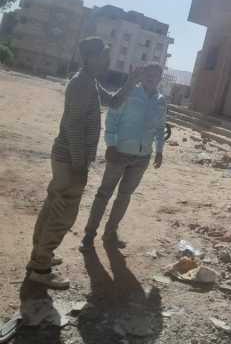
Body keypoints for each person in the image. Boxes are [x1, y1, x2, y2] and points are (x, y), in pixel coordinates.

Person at [27, 37, 139, 290]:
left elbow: (113, 102)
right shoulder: (81, 84)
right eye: (104, 55)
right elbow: (73, 126)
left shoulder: (89, 81)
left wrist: (131, 81)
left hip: (69, 158)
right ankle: (40, 268)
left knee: (54, 207)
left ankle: (39, 256)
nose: (108, 60)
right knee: (62, 214)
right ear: (90, 57)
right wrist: (79, 164)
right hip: (70, 160)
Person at [80, 62, 167, 251]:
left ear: (160, 78)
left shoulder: (161, 101)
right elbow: (112, 118)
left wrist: (160, 150)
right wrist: (111, 144)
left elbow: (160, 128)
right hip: (119, 152)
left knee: (124, 196)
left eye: (155, 75)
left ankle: (110, 233)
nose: (151, 78)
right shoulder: (129, 93)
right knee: (104, 194)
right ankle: (89, 234)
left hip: (142, 158)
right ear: (142, 75)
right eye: (148, 74)